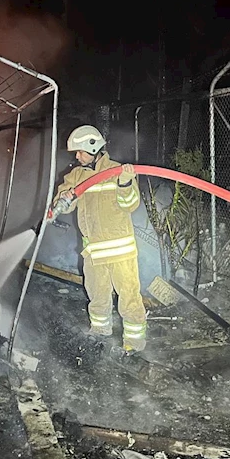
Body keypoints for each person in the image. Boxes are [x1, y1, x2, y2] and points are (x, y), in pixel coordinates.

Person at [54, 125, 147, 352]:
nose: (77, 156)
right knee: (97, 295)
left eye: (80, 151)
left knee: (129, 297)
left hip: (120, 252)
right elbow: (63, 207)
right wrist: (63, 199)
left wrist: (125, 183)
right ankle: (100, 332)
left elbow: (130, 205)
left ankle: (134, 343)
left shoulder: (118, 172)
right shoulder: (75, 176)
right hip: (93, 253)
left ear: (92, 147)